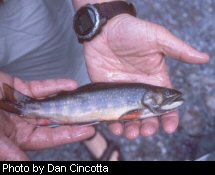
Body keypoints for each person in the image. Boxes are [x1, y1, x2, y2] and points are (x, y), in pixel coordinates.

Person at [0, 0, 209, 161]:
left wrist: (107, 16)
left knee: (72, 69)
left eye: (165, 96)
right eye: (165, 96)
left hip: (37, 16)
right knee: (47, 76)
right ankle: (72, 126)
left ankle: (85, 131)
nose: (168, 97)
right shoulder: (139, 109)